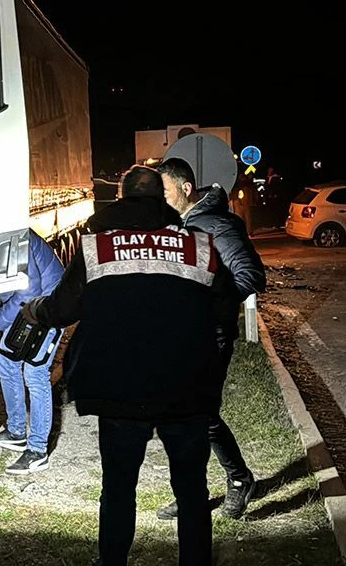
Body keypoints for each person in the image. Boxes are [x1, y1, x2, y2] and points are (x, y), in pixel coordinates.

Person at [22, 165, 232, 566]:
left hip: (119, 389)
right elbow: (223, 308)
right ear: (162, 200)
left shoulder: (97, 247)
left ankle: (112, 561)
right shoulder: (198, 246)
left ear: (120, 199)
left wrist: (34, 310)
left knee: (118, 487)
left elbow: (63, 309)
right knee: (191, 489)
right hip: (185, 387)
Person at [154, 157, 267, 520]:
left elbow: (251, 275)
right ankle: (194, 491)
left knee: (198, 414)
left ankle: (239, 479)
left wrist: (209, 306)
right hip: (183, 334)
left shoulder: (217, 225)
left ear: (186, 189)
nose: (160, 199)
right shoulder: (179, 224)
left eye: (165, 192)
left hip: (210, 334)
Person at [0, 228, 65, 474]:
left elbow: (29, 291)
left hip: (48, 305)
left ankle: (37, 451)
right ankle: (15, 433)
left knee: (35, 373)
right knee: (6, 361)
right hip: (29, 307)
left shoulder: (10, 234)